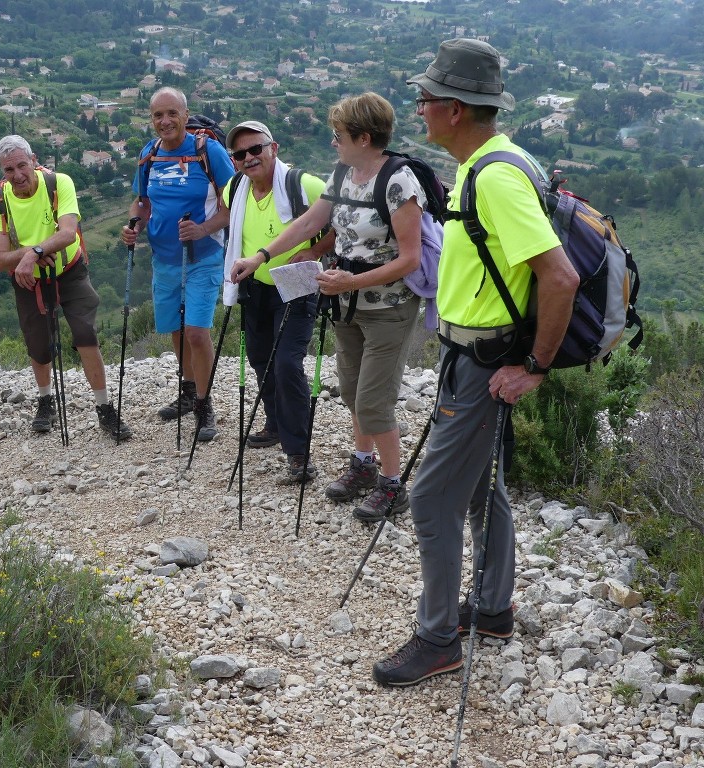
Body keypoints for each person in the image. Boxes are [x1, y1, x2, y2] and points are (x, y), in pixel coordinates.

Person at [371, 39, 579, 687]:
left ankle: (438, 640)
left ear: (456, 110)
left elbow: (560, 277)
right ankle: (491, 609)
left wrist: (535, 366)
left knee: (431, 497)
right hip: (472, 357)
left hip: (486, 362)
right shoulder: (489, 163)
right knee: (482, 488)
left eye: (427, 99)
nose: (420, 108)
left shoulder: (494, 176)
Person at [232, 93, 426, 517]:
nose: (333, 143)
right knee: (354, 391)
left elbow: (410, 258)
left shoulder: (399, 182)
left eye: (339, 136)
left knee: (375, 400)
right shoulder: (343, 174)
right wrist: (260, 257)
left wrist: (351, 280)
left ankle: (393, 485)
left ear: (364, 137)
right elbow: (307, 223)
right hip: (345, 304)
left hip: (388, 307)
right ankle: (362, 465)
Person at [0, 135, 131, 439]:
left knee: (84, 333)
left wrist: (31, 253)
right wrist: (30, 259)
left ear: (34, 160)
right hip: (29, 279)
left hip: (69, 270)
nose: (17, 175)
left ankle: (104, 408)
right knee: (38, 343)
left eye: (22, 166)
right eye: (9, 170)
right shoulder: (0, 200)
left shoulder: (58, 183)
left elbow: (67, 233)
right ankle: (45, 401)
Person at [121, 87, 235, 442]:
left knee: (197, 332)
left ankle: (205, 404)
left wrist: (202, 228)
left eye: (172, 114)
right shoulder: (149, 154)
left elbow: (236, 204)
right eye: (158, 115)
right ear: (151, 119)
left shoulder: (208, 152)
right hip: (165, 259)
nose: (165, 121)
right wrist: (134, 225)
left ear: (186, 116)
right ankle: (188, 393)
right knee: (175, 329)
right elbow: (142, 202)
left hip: (203, 257)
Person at [224, 120, 332, 484]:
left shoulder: (304, 184)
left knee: (287, 363)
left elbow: (341, 222)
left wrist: (316, 249)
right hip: (256, 286)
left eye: (256, 149)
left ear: (275, 147)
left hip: (297, 285)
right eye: (240, 154)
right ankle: (274, 422)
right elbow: (227, 221)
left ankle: (299, 453)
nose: (249, 158)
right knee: (259, 358)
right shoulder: (235, 188)